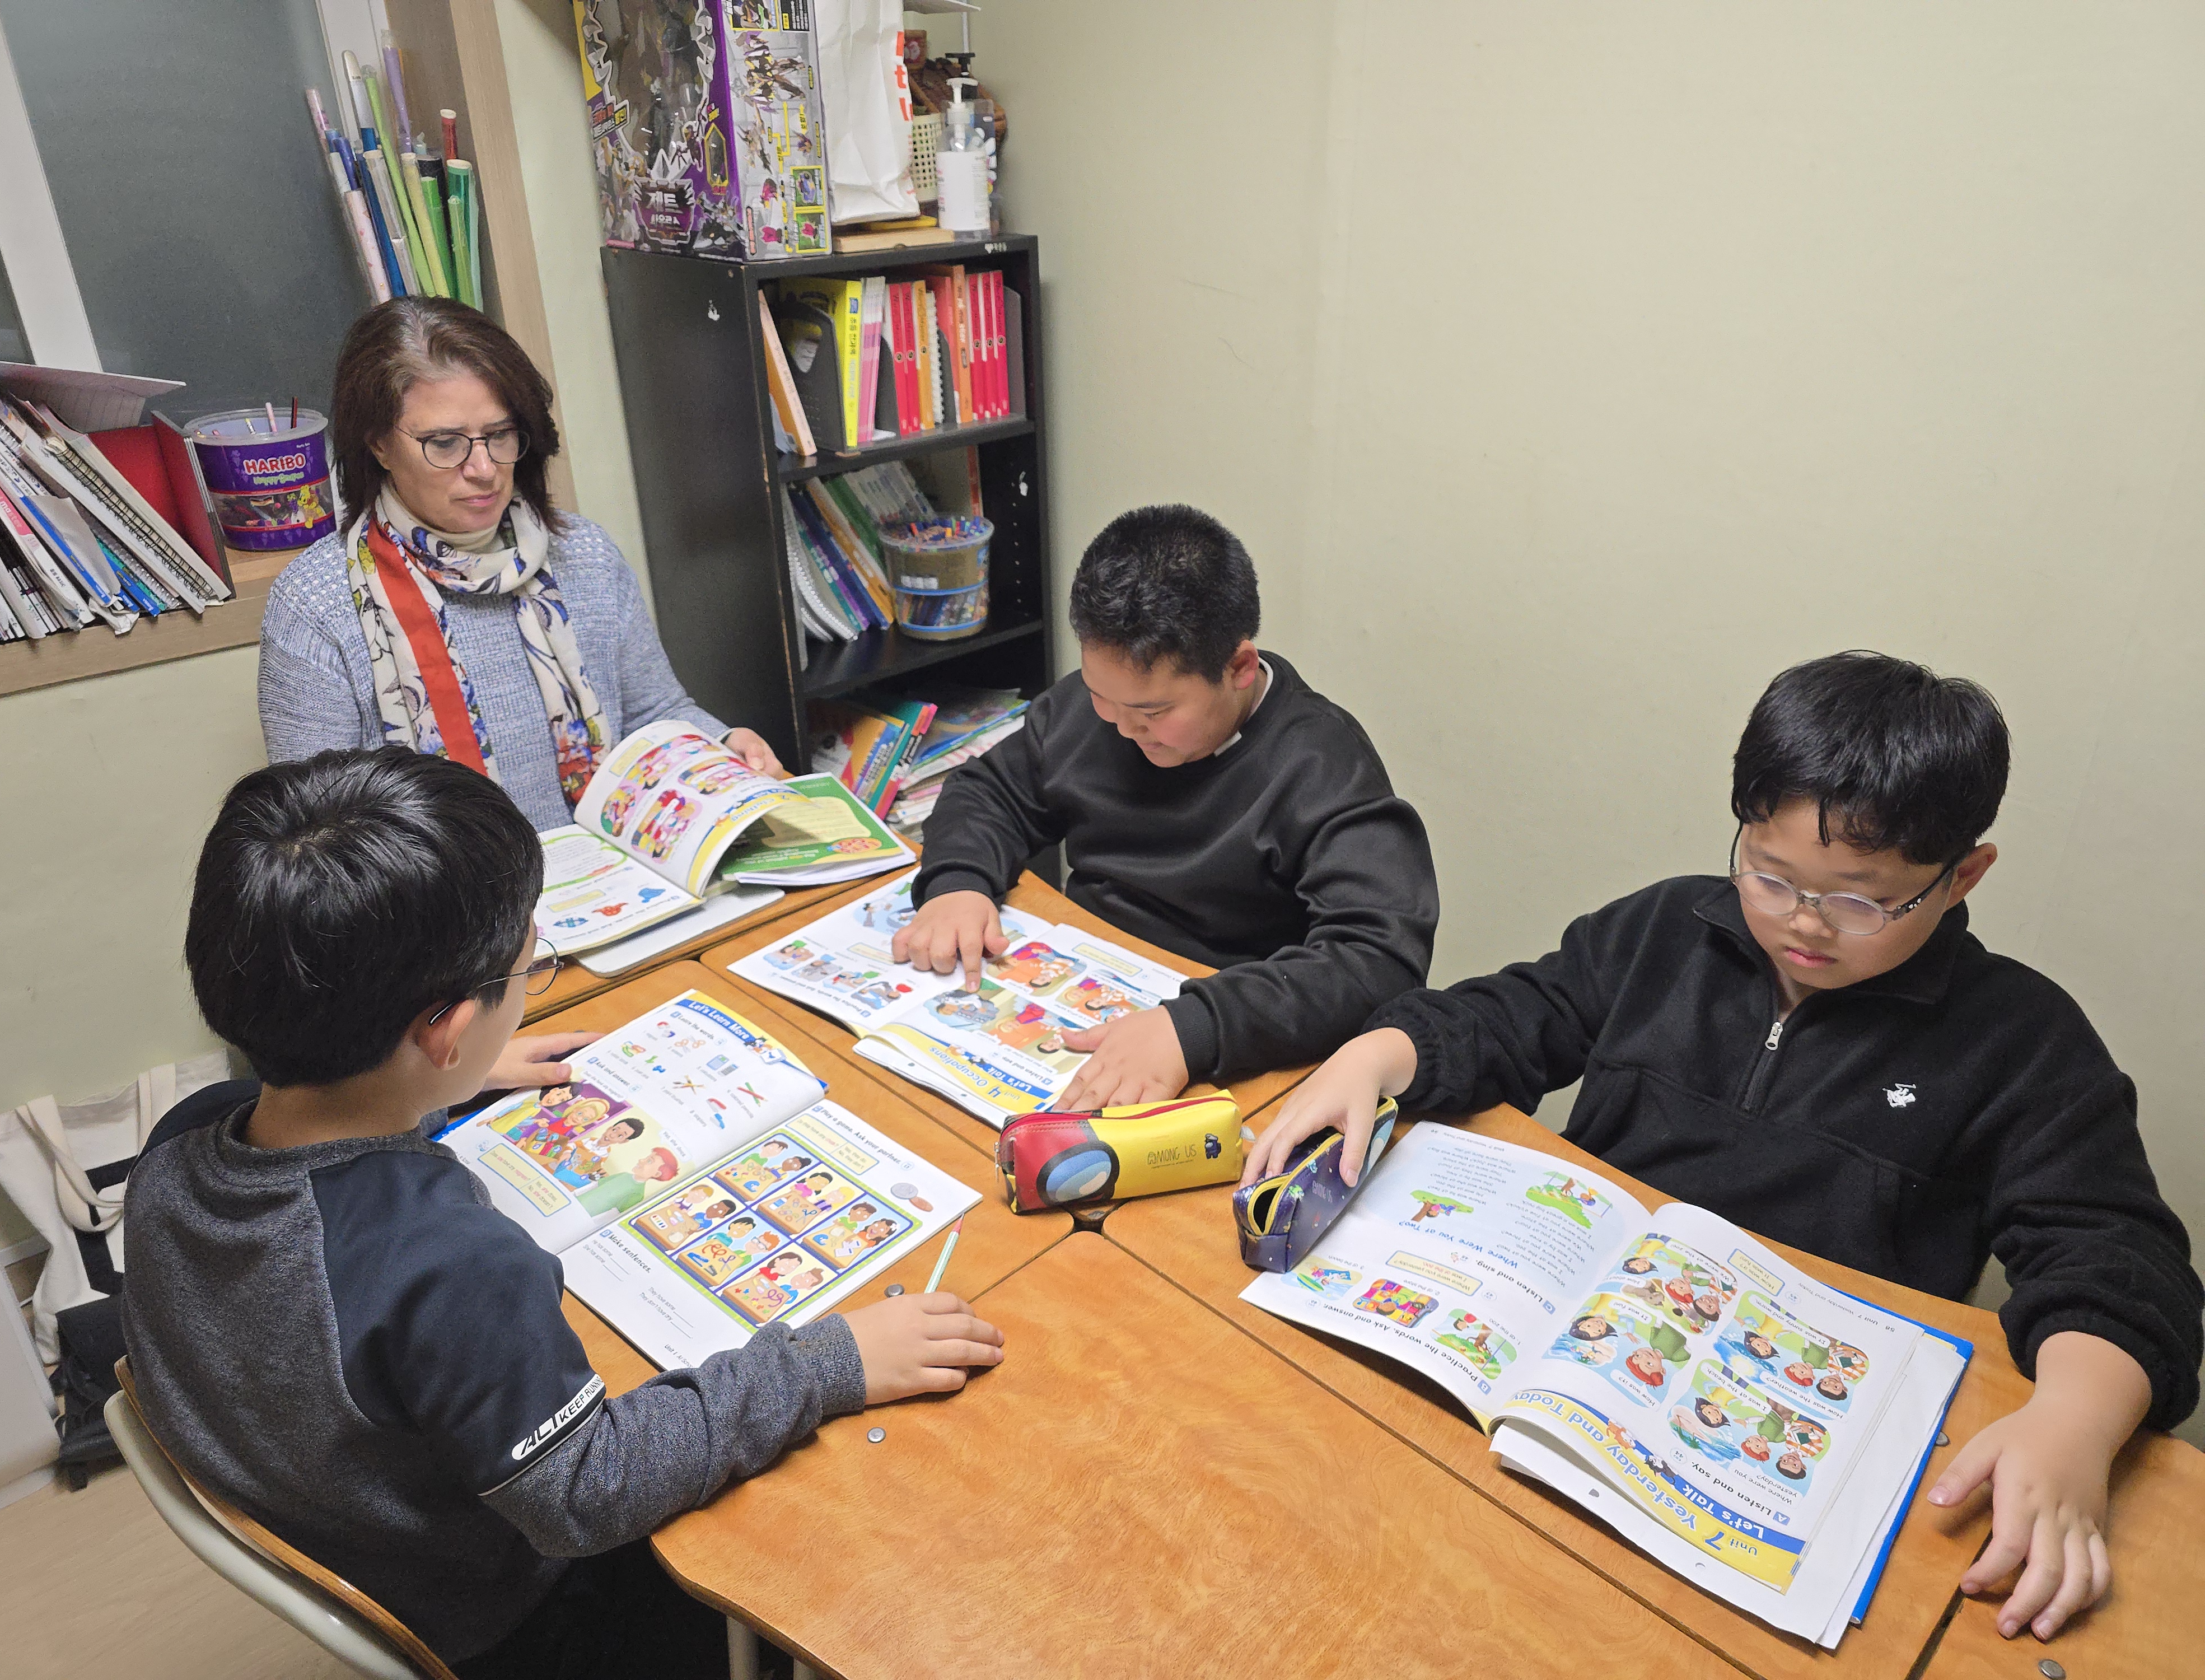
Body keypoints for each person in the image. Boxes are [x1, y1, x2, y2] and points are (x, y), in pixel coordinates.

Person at [1243, 651, 2202, 1645]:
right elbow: (1517, 1013)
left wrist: (2076, 1424)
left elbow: (2117, 1257)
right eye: (1770, 875)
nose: (1805, 924)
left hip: (1768, 1435)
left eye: (1861, 901)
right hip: (1552, 1379)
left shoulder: (2023, 1042)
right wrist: (1379, 1053)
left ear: (1963, 875)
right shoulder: (1666, 930)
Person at [123, 749, 1003, 1677]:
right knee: (832, 1535)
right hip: (523, 1623)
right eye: (526, 969)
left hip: (344, 1509)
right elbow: (589, 1490)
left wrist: (441, 1076)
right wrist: (828, 1364)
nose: (526, 981)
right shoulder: (445, 1263)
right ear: (446, 1028)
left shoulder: (182, 1142)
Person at [894, 505, 1439, 1107]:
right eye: (1101, 696)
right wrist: (958, 884)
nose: (1123, 728)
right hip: (1085, 984)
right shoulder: (1101, 708)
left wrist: (1195, 1028)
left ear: (1238, 667)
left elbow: (1378, 959)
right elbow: (989, 791)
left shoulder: (1321, 764)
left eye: (1153, 712)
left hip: (1227, 1041)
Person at [258, 297, 781, 833]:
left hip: (611, 865)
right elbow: (315, 830)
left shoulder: (585, 554)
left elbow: (654, 715)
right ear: (380, 446)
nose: (484, 469)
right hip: (446, 886)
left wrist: (724, 744)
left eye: (500, 435)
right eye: (446, 443)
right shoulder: (315, 604)